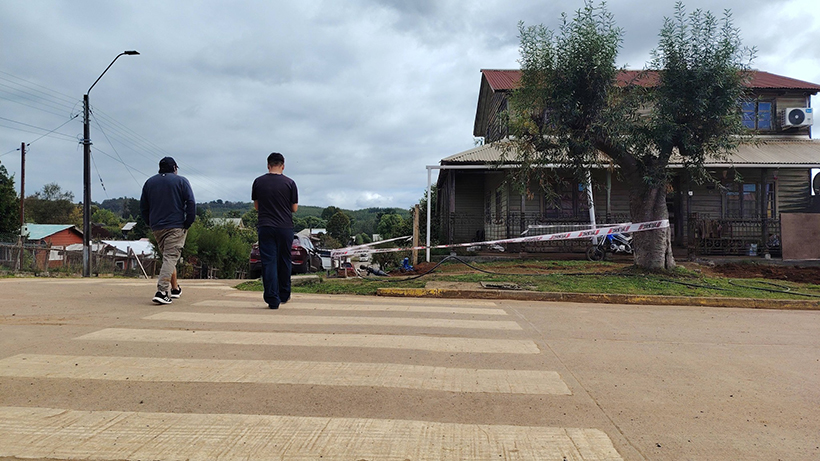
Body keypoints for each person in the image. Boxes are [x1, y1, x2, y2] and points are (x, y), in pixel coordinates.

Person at [140, 156, 196, 304]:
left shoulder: (149, 182)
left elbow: (143, 207)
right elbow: (190, 202)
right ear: (175, 168)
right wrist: (188, 222)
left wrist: (150, 222)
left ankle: (175, 288)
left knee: (168, 257)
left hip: (157, 226)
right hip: (176, 225)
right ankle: (162, 291)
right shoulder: (181, 181)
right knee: (171, 257)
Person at [252, 152, 298, 309]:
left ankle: (272, 298)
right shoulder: (290, 183)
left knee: (269, 262)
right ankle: (284, 293)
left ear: (268, 165)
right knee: (284, 260)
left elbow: (257, 206)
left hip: (265, 226)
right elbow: (294, 208)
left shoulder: (258, 182)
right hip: (285, 227)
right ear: (283, 166)